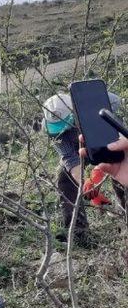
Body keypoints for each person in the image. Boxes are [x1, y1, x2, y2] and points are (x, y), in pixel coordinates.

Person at [43, 90, 125, 243]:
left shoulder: (106, 105)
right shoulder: (50, 129)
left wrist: (98, 171)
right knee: (65, 178)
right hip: (79, 149)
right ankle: (79, 233)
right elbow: (70, 159)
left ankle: (124, 218)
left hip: (110, 142)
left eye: (66, 125)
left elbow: (115, 139)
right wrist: (87, 185)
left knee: (119, 169)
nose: (63, 131)